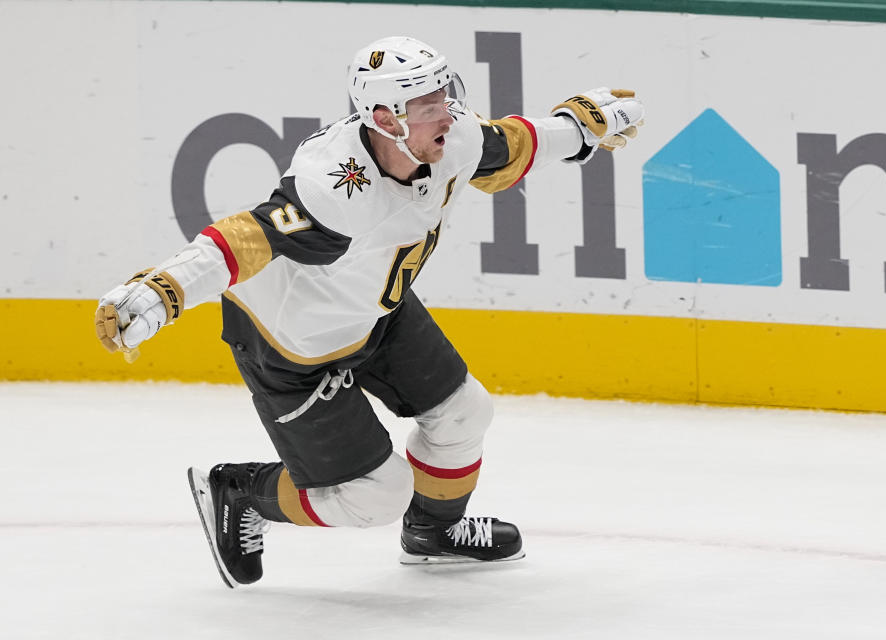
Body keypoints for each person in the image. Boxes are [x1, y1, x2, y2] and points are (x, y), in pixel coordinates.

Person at [94, 36, 644, 588]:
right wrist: (163, 289)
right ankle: (240, 492)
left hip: (375, 310)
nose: (447, 113)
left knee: (464, 414)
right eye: (427, 105)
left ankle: (433, 533)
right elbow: (246, 239)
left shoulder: (448, 138)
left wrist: (578, 127)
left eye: (444, 94)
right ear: (385, 118)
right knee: (373, 497)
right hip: (290, 345)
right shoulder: (333, 186)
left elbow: (507, 146)